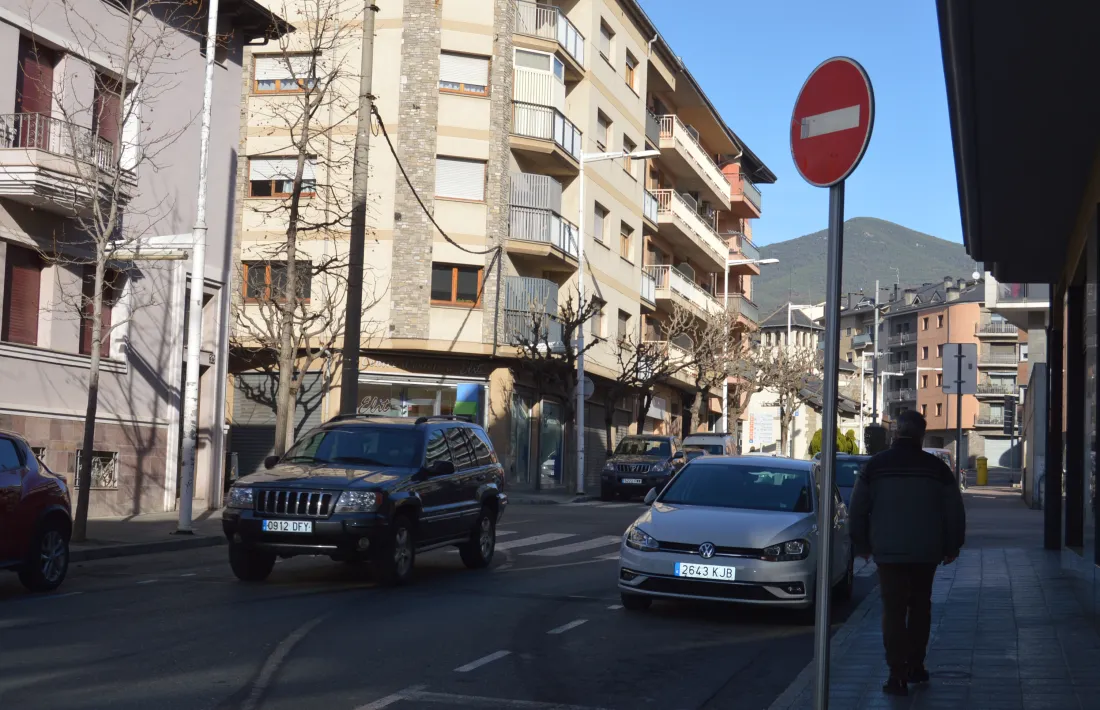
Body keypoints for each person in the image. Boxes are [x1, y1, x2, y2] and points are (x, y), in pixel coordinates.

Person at [848, 410, 966, 697]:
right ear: (921, 436)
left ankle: (896, 674)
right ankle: (915, 665)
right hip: (926, 552)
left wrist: (861, 545)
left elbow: (857, 509)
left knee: (894, 611)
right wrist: (952, 546)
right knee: (920, 607)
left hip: (888, 552)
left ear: (896, 432)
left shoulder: (875, 466)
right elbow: (954, 510)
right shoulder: (937, 468)